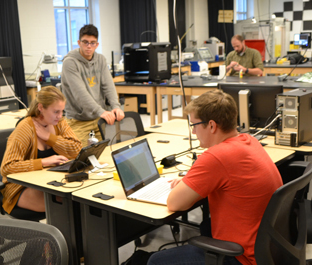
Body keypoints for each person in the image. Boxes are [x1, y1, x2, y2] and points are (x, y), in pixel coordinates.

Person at [147, 90, 282, 265]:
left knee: (156, 261)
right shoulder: (248, 140)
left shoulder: (216, 157)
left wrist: (197, 174)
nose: (194, 132)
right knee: (206, 226)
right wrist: (193, 180)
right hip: (268, 247)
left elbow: (174, 203)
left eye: (194, 125)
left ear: (211, 125)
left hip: (243, 257)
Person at [0, 86, 82, 214]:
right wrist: (43, 162)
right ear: (41, 108)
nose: (60, 116)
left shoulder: (59, 123)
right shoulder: (25, 128)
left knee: (79, 195)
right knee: (68, 202)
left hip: (48, 181)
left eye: (62, 111)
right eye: (56, 112)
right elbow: (7, 167)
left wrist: (50, 138)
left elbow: (77, 150)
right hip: (22, 188)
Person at [61, 24, 124, 146]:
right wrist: (100, 111)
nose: (89, 46)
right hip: (78, 121)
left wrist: (115, 106)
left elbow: (108, 86)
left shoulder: (100, 59)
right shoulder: (70, 62)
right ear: (79, 42)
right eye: (85, 42)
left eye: (92, 43)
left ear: (97, 44)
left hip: (99, 118)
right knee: (81, 157)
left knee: (105, 154)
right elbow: (80, 93)